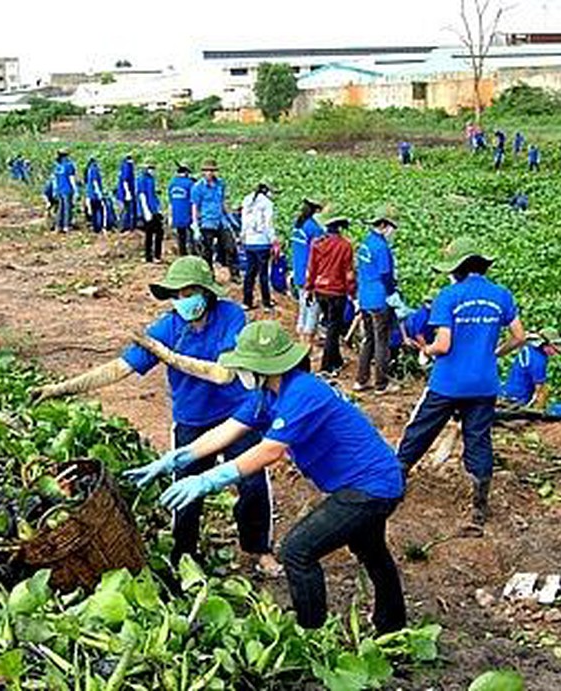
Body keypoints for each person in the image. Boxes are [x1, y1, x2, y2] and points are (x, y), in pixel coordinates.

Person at [128, 320, 406, 634]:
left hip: (370, 488)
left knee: (297, 551)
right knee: (371, 549)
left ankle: (310, 631)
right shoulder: (267, 394)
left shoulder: (302, 392)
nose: (239, 372)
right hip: (363, 483)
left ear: (263, 365)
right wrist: (179, 457)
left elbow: (268, 452)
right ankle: (392, 623)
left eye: (243, 365)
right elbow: (228, 430)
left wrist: (208, 480)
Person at [32, 257, 279, 575]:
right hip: (192, 419)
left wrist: (167, 356)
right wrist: (60, 388)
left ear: (205, 292)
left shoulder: (230, 315)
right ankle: (184, 556)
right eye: (175, 294)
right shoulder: (166, 327)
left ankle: (259, 550)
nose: (181, 300)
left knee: (254, 482)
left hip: (237, 414)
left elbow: (223, 375)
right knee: (186, 489)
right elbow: (118, 369)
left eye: (188, 292)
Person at [396, 238, 525, 531]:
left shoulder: (449, 295)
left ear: (457, 268)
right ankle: (479, 504)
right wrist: (494, 353)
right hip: (484, 382)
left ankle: (396, 480)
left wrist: (426, 349)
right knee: (478, 438)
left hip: (449, 381)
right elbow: (520, 336)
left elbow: (443, 344)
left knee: (421, 429)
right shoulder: (500, 295)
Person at [354, 207, 400, 394]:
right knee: (382, 341)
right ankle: (381, 383)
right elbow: (385, 274)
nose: (392, 231)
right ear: (383, 225)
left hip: (365, 297)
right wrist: (392, 293)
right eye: (391, 227)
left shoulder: (366, 243)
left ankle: (361, 379)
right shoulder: (381, 247)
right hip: (379, 299)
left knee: (368, 340)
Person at [305, 217, 355, 375]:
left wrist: (309, 288)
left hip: (320, 290)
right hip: (336, 292)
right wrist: (352, 293)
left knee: (330, 325)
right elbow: (348, 274)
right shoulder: (345, 245)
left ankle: (337, 360)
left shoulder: (317, 243)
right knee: (334, 329)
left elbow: (311, 268)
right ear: (339, 228)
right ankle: (327, 366)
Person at [191, 159, 237, 281]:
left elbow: (223, 202)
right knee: (207, 252)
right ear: (203, 172)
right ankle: (208, 276)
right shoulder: (197, 187)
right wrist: (195, 225)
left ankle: (234, 273)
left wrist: (230, 217)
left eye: (212, 170)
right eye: (207, 170)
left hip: (221, 220)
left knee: (230, 247)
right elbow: (195, 207)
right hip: (207, 222)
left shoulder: (220, 184)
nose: (210, 173)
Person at [500, 328, 561, 409]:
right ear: (545, 344)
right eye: (554, 347)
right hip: (519, 398)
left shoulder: (529, 349)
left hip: (509, 390)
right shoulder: (538, 360)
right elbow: (540, 392)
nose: (555, 352)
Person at [291, 199, 324, 346]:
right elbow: (319, 254)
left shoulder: (298, 226)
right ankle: (307, 344)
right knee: (312, 309)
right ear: (317, 211)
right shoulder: (314, 229)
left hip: (298, 271)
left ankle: (300, 338)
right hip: (310, 273)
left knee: (303, 306)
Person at [240, 182, 277, 310]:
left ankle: (246, 301)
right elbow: (268, 224)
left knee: (250, 272)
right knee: (263, 274)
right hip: (262, 242)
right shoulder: (267, 203)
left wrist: (243, 237)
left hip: (249, 242)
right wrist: (274, 241)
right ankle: (266, 302)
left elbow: (243, 222)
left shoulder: (247, 200)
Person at [137, 160, 164, 262]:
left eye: (153, 168)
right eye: (150, 168)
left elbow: (154, 195)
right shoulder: (141, 179)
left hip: (154, 210)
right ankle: (149, 256)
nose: (152, 170)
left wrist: (159, 208)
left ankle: (156, 255)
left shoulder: (151, 179)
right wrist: (146, 211)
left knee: (159, 233)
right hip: (148, 211)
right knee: (150, 234)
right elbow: (142, 195)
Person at [168, 162, 195, 255]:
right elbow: (194, 201)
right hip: (188, 215)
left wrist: (170, 216)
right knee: (191, 237)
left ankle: (182, 254)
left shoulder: (172, 183)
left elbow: (170, 202)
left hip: (176, 215)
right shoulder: (190, 184)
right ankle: (192, 254)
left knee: (181, 237)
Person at [52, 149, 78, 233]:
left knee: (60, 208)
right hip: (67, 189)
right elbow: (72, 178)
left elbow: (54, 179)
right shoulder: (69, 165)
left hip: (59, 189)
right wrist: (75, 190)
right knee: (67, 208)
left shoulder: (57, 166)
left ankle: (58, 226)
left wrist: (55, 190)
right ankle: (66, 226)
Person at [84, 156, 106, 233]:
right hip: (95, 195)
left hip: (89, 195)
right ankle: (99, 228)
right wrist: (99, 193)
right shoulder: (94, 169)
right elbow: (95, 182)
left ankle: (94, 228)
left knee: (93, 212)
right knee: (99, 211)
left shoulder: (88, 170)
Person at [117, 153, 137, 231]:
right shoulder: (127, 166)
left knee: (126, 209)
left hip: (123, 192)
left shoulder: (123, 166)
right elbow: (125, 181)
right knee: (126, 210)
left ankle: (126, 226)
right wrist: (128, 193)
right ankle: (124, 227)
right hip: (125, 192)